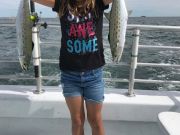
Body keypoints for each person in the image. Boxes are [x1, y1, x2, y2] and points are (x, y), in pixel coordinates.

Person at [32, 0, 112, 135]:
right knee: (77, 121)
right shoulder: (62, 3)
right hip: (70, 76)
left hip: (94, 75)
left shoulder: (98, 3)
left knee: (96, 121)